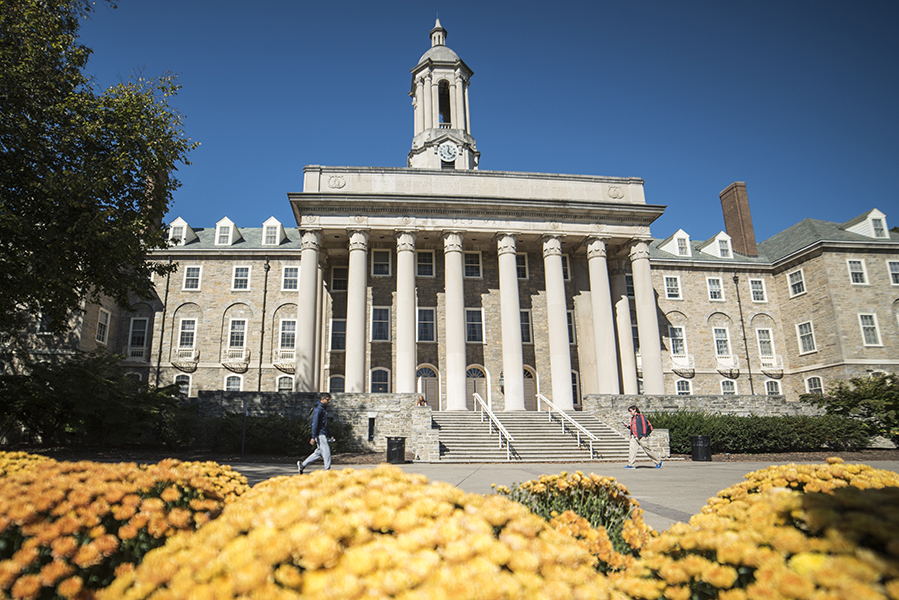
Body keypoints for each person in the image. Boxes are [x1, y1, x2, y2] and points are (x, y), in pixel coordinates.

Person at [298, 394, 334, 474]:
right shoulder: (318, 409)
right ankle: (327, 471)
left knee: (318, 453)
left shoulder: (323, 409)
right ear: (322, 399)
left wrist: (330, 434)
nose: (329, 401)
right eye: (327, 399)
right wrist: (313, 436)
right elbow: (315, 423)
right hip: (320, 434)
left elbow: (325, 424)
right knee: (327, 452)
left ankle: (302, 464)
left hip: (323, 433)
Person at [623, 405, 662, 469]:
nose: (630, 413)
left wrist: (644, 435)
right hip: (634, 436)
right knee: (632, 450)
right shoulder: (632, 418)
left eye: (630, 411)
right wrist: (627, 426)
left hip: (641, 436)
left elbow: (644, 426)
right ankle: (631, 464)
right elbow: (634, 428)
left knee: (647, 450)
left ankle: (658, 462)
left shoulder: (641, 417)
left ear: (634, 410)